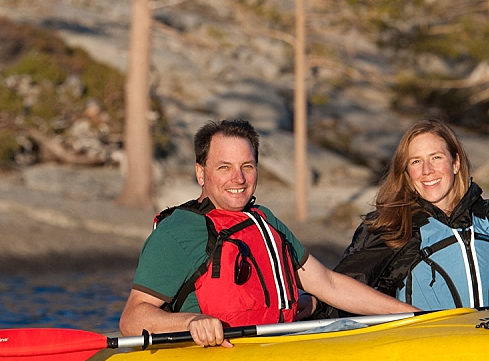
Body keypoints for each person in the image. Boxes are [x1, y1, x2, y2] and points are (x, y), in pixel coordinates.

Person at [119, 119, 416, 347]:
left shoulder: (265, 221)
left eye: (247, 166)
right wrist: (192, 321)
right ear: (201, 173)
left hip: (276, 350)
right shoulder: (177, 233)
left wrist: (412, 317)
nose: (239, 178)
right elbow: (131, 319)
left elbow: (328, 285)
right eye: (224, 167)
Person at [323, 119, 489, 313]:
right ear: (407, 173)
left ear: (455, 163)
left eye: (436, 158)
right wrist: (313, 307)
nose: (427, 171)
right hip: (431, 354)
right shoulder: (395, 225)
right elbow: (341, 287)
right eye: (416, 162)